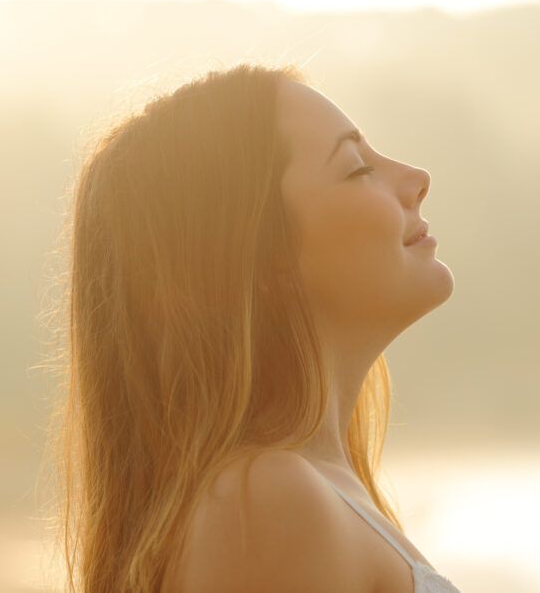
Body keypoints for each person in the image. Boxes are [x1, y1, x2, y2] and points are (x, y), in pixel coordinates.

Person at [43, 62, 460, 592]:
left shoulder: (311, 493)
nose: (416, 179)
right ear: (263, 259)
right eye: (357, 167)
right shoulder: (266, 501)